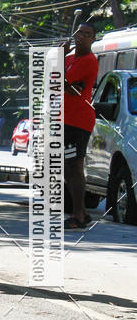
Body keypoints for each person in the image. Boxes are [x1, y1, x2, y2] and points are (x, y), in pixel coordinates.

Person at [63, 22, 98, 229]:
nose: (82, 37)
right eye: (80, 32)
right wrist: (66, 86)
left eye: (88, 34)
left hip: (78, 120)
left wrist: (66, 85)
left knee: (75, 166)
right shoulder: (68, 58)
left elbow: (60, 79)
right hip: (64, 118)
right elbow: (54, 81)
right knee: (67, 166)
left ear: (93, 39)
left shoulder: (88, 61)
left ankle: (78, 215)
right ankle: (81, 212)